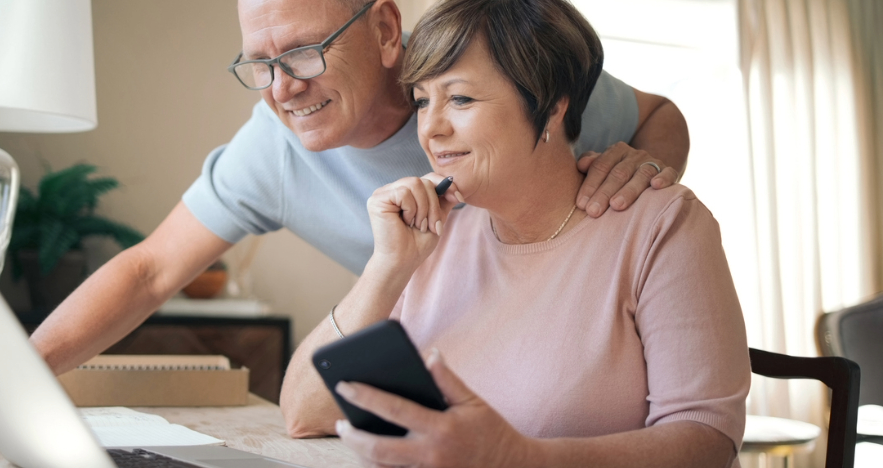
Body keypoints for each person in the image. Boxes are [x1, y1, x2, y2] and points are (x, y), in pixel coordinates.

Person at [0, 0, 690, 432]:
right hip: (449, 396)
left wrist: (646, 164)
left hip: (585, 391)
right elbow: (148, 271)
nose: (282, 88)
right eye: (259, 64)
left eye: (302, 52)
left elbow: (662, 116)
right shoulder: (274, 147)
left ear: (387, 30)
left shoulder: (487, 79)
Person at [278, 0, 749, 467]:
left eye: (460, 99)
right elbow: (304, 415)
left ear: (552, 105)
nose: (431, 129)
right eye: (422, 101)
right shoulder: (432, 239)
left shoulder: (662, 226)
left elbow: (707, 441)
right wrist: (385, 268)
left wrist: (516, 457)